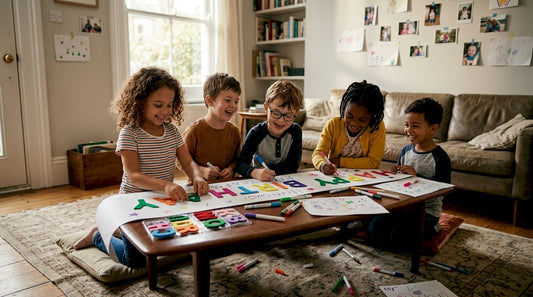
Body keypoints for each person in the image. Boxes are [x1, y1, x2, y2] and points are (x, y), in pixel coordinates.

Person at [73, 67, 210, 268]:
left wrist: (197, 177)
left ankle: (118, 230)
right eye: (158, 105)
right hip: (132, 204)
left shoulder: (171, 131)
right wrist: (166, 185)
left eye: (169, 105)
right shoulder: (130, 133)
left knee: (177, 240)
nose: (164, 111)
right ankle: (98, 236)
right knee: (136, 260)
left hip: (163, 203)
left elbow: (187, 161)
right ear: (139, 102)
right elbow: (133, 175)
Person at [368, 98, 451, 249]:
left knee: (398, 237)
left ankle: (433, 228)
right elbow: (400, 181)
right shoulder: (405, 151)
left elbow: (444, 189)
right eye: (407, 125)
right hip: (403, 207)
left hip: (425, 212)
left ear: (433, 129)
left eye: (415, 126)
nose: (408, 130)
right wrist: (395, 174)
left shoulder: (440, 158)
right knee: (374, 228)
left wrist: (417, 176)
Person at [312, 80, 386, 175]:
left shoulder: (377, 127)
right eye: (349, 116)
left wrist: (340, 162)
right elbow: (318, 153)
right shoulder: (333, 124)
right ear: (344, 108)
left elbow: (373, 162)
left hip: (366, 177)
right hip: (338, 176)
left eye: (362, 120)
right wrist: (322, 164)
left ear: (372, 117)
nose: (354, 123)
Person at [236, 80, 303, 182]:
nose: (281, 120)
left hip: (286, 181)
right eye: (276, 113)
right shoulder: (256, 133)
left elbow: (293, 165)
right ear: (266, 108)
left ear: (296, 113)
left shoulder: (295, 131)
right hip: (260, 182)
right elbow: (241, 164)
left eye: (289, 115)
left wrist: (270, 171)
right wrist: (255, 172)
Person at [184, 73, 241, 181]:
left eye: (236, 101)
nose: (233, 105)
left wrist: (231, 169)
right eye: (228, 100)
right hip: (200, 186)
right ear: (209, 100)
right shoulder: (194, 131)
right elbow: (181, 161)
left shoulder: (234, 131)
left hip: (228, 186)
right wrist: (201, 171)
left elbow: (238, 160)